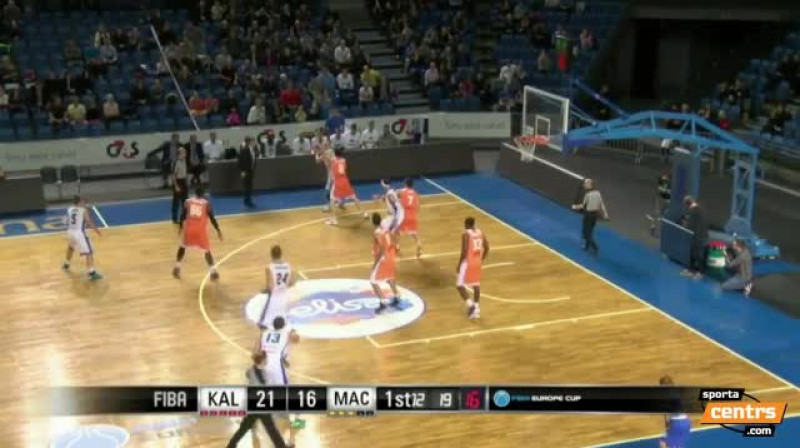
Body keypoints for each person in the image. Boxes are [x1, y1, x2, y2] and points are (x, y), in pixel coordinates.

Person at [226, 351, 288, 448]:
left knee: (244, 428)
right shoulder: (266, 374)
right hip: (262, 407)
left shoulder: (251, 371)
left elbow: (248, 374)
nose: (267, 360)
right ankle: (281, 446)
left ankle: (231, 445)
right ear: (263, 360)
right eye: (266, 359)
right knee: (271, 429)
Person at [172, 187, 222, 280]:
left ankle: (176, 267)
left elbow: (182, 215)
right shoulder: (206, 204)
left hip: (189, 230)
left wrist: (180, 226)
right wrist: (218, 229)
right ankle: (213, 272)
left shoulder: (188, 201)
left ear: (195, 194)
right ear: (203, 194)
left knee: (182, 247)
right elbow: (212, 217)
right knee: (207, 251)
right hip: (199, 231)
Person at [62, 196, 103, 280]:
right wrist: (97, 231)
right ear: (80, 201)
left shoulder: (70, 209)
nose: (84, 202)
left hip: (70, 232)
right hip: (79, 233)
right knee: (89, 251)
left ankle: (66, 264)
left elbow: (67, 221)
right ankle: (92, 273)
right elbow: (89, 222)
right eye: (83, 201)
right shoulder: (83, 210)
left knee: (71, 247)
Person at [457, 217, 489, 319]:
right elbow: (487, 247)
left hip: (468, 262)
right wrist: (481, 259)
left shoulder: (466, 234)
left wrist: (459, 264)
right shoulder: (480, 232)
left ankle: (470, 305)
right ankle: (477, 308)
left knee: (460, 285)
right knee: (476, 285)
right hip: (477, 261)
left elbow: (464, 251)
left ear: (466, 224)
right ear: (474, 224)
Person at [326, 148, 368, 225]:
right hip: (345, 182)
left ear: (335, 154)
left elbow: (328, 158)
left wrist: (323, 152)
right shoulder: (343, 160)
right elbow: (336, 158)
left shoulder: (333, 161)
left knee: (332, 200)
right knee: (354, 198)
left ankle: (334, 219)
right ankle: (364, 213)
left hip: (337, 183)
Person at [258, 245, 296, 329]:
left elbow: (269, 286)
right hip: (285, 296)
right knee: (283, 319)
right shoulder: (288, 266)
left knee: (264, 321)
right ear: (281, 254)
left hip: (274, 296)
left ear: (271, 254)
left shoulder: (269, 267)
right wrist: (284, 286)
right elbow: (292, 283)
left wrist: (265, 290)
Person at [371, 212, 400, 314]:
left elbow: (382, 249)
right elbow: (393, 241)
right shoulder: (386, 230)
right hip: (391, 256)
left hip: (383, 259)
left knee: (373, 281)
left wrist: (375, 263)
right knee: (389, 277)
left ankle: (383, 302)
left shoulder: (377, 233)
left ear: (373, 222)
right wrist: (396, 250)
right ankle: (397, 296)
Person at [571, 178, 608, 255]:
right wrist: (605, 214)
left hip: (588, 215)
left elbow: (583, 206)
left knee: (586, 233)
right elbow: (601, 204)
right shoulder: (598, 193)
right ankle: (587, 245)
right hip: (595, 215)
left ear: (589, 185)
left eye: (585, 184)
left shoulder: (587, 194)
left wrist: (575, 207)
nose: (584, 185)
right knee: (590, 231)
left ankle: (594, 247)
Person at [659, 375, 690, 448]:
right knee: (677, 444)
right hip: (686, 422)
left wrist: (669, 422)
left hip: (676, 423)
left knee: (663, 443)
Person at [680, 196, 708, 279]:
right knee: (692, 254)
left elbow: (690, 225)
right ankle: (691, 270)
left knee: (698, 255)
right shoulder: (700, 209)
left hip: (698, 237)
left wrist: (684, 224)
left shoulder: (693, 211)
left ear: (687, 204)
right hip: (700, 236)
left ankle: (700, 272)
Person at [398, 178, 422, 257]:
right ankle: (419, 246)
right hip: (413, 217)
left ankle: (397, 247)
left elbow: (395, 197)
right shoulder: (415, 194)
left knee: (396, 233)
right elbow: (418, 206)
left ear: (405, 184)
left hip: (404, 217)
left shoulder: (402, 191)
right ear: (413, 185)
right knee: (414, 234)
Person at [171, 147, 189, 223]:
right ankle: (174, 218)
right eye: (184, 152)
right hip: (178, 181)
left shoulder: (185, 161)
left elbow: (186, 172)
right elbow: (173, 175)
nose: (185, 154)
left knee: (185, 200)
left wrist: (187, 182)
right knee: (176, 201)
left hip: (183, 181)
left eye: (185, 152)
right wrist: (176, 186)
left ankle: (184, 217)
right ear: (180, 154)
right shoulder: (176, 162)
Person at [238, 136, 257, 208]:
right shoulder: (245, 149)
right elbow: (241, 161)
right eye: (251, 141)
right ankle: (248, 201)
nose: (253, 142)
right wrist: (243, 171)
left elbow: (252, 159)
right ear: (248, 141)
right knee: (248, 186)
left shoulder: (250, 149)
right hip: (247, 170)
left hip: (250, 170)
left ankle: (246, 200)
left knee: (248, 186)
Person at [650, 171, 671, 236]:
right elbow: (661, 191)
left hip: (664, 200)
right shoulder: (663, 182)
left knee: (659, 215)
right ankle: (654, 229)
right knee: (657, 214)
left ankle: (655, 229)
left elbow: (663, 191)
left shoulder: (666, 183)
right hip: (661, 199)